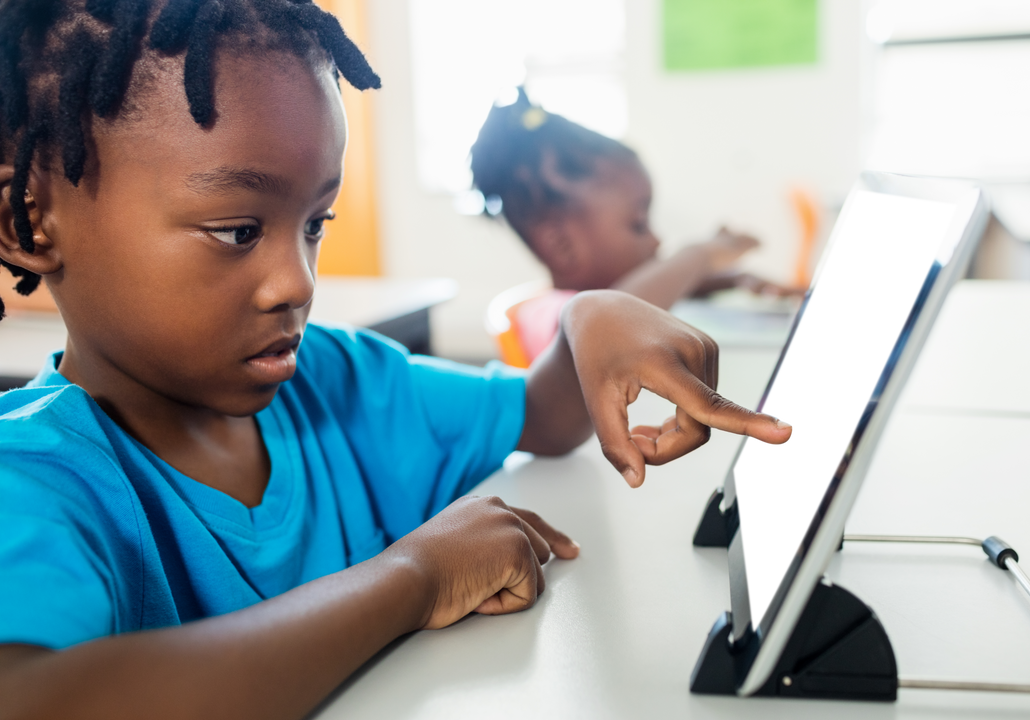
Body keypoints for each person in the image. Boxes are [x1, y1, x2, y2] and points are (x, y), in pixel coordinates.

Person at [0, 2, 794, 718]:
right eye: (238, 230)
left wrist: (593, 315)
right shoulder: (29, 477)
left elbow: (543, 417)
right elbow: (39, 699)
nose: (295, 282)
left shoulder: (336, 383)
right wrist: (411, 579)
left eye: (315, 223)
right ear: (30, 224)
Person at [471, 89, 802, 364]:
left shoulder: (598, 297)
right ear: (562, 247)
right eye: (638, 224)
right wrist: (700, 254)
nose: (657, 241)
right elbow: (616, 314)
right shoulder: (551, 316)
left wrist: (731, 279)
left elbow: (636, 296)